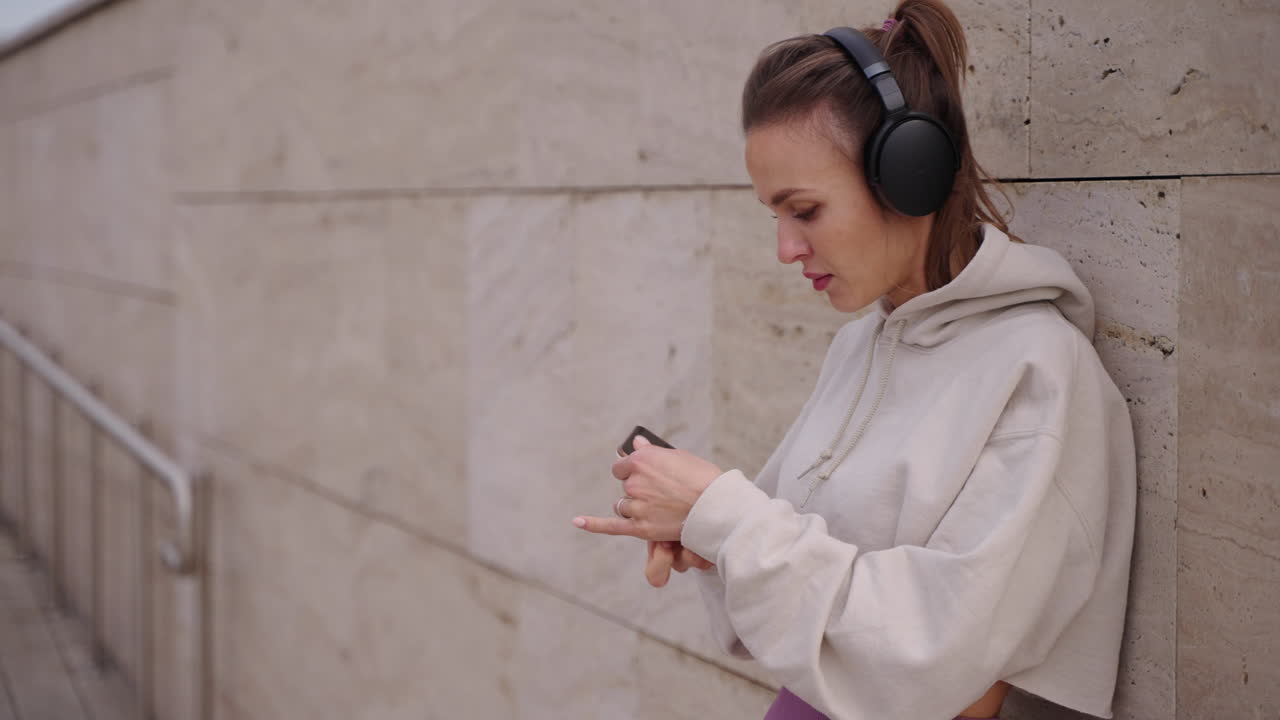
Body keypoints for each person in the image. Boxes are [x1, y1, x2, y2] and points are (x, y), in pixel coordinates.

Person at [571, 1, 1137, 718]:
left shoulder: (1040, 374)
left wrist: (730, 520)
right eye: (773, 215)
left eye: (804, 211)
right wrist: (707, 535)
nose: (785, 249)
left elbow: (945, 666)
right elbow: (798, 563)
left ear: (911, 176)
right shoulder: (860, 347)